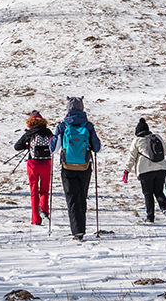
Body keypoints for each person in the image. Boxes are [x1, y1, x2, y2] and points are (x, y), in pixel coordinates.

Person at [50, 96, 101, 241]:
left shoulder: (62, 126)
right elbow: (97, 148)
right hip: (85, 166)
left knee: (72, 198)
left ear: (68, 109)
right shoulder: (88, 125)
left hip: (67, 167)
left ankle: (77, 232)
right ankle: (81, 228)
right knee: (82, 197)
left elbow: (53, 149)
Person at [123, 117, 166, 222]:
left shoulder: (137, 141)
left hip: (145, 171)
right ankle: (165, 210)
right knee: (159, 192)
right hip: (161, 169)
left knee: (148, 194)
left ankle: (150, 217)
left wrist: (126, 171)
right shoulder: (157, 137)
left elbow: (131, 157)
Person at [13, 110, 54, 226]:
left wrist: (27, 146)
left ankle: (35, 219)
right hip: (46, 163)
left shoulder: (30, 133)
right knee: (45, 190)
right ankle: (44, 209)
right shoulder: (48, 131)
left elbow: (17, 146)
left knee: (34, 192)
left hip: (33, 164)